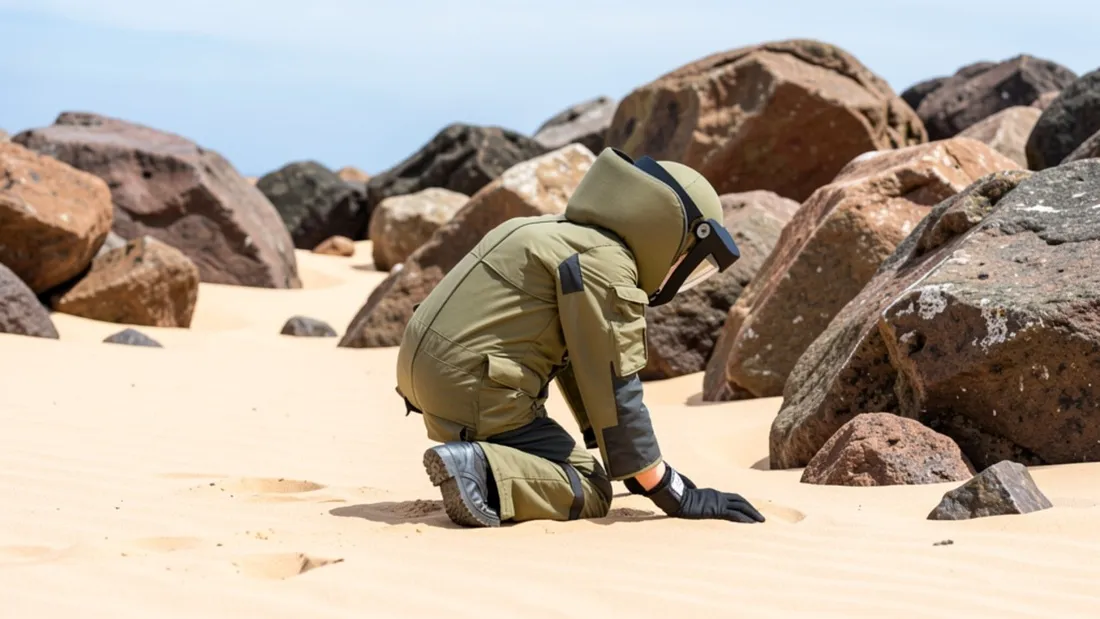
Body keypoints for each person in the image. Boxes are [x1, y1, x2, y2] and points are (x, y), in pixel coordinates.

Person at [394, 147, 766, 527]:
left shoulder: (548, 229)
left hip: (422, 374)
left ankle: (482, 462)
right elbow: (613, 382)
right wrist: (670, 490)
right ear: (671, 236)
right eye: (691, 260)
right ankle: (482, 470)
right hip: (472, 391)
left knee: (573, 460)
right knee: (590, 488)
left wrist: (618, 455)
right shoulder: (606, 264)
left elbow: (581, 357)